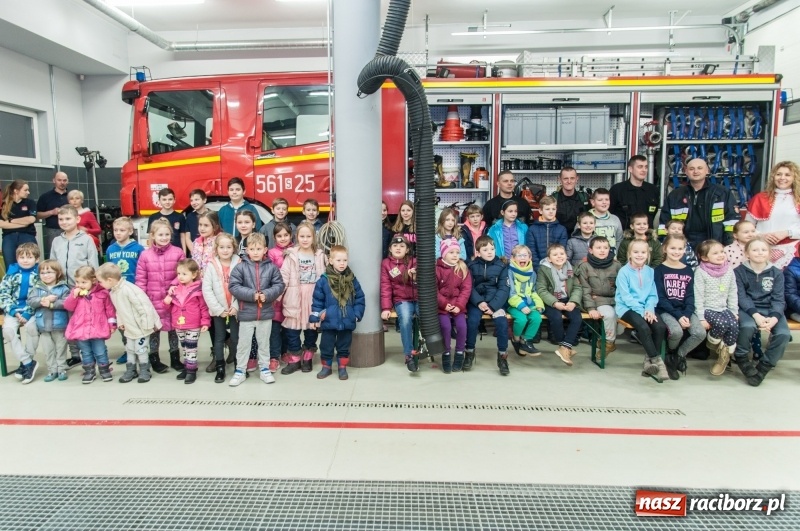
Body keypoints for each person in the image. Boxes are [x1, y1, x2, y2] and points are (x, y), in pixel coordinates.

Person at [228, 233, 285, 386]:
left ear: (265, 249)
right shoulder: (240, 267)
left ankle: (264, 369)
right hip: (246, 314)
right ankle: (240, 371)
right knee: (244, 344)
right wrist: (252, 295)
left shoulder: (272, 268)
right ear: (247, 250)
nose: (255, 252)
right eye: (252, 249)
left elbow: (279, 285)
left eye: (258, 249)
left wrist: (267, 294)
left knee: (264, 343)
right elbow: (233, 286)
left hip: (265, 314)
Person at [733, 238, 790, 386]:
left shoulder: (777, 273)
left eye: (763, 250)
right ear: (747, 253)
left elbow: (779, 299)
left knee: (783, 334)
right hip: (748, 309)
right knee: (747, 327)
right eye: (755, 250)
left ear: (769, 253)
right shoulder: (739, 272)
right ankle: (742, 358)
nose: (760, 253)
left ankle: (764, 366)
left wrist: (774, 318)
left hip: (772, 310)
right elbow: (742, 297)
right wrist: (756, 316)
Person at [97, 262, 162, 384]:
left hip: (141, 327)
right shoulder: (113, 292)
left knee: (141, 349)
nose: (99, 284)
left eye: (100, 281)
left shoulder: (129, 289)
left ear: (109, 280)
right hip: (129, 327)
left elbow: (144, 307)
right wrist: (120, 322)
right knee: (130, 349)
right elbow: (119, 310)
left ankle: (145, 369)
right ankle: (131, 370)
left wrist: (147, 325)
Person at [51, 205, 99, 369]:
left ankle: (92, 353)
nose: (64, 222)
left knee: (86, 320)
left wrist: (92, 286)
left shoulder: (86, 239)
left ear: (77, 219)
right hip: (64, 290)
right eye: (61, 219)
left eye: (68, 218)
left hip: (83, 288)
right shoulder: (56, 241)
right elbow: (52, 264)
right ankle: (75, 355)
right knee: (69, 321)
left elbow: (93, 264)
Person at [135, 219, 185, 374]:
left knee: (174, 329)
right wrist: (141, 299)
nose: (164, 237)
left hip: (173, 299)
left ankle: (175, 358)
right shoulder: (145, 255)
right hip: (152, 299)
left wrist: (173, 286)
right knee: (154, 329)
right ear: (152, 236)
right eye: (160, 234)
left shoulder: (178, 252)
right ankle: (154, 358)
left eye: (167, 234)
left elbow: (183, 272)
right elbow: (141, 279)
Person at [309, 245, 365, 380]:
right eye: (339, 260)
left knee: (344, 346)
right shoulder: (323, 280)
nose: (342, 263)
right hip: (329, 320)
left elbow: (360, 298)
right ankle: (326, 367)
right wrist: (316, 317)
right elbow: (317, 300)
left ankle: (342, 368)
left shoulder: (351, 279)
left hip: (347, 320)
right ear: (330, 261)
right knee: (326, 345)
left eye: (344, 260)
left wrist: (356, 315)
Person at [615, 239, 669, 381]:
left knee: (660, 327)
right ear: (629, 254)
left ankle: (648, 362)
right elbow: (626, 297)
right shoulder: (623, 272)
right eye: (636, 252)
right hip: (626, 307)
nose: (640, 255)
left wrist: (649, 309)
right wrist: (642, 311)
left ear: (648, 254)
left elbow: (652, 294)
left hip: (646, 308)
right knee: (644, 327)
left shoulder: (650, 271)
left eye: (643, 252)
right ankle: (658, 362)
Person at [654, 233, 706, 380]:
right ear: (665, 249)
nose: (676, 251)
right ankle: (670, 353)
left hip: (686, 310)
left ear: (685, 250)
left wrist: (687, 314)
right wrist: (678, 316)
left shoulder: (688, 270)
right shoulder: (659, 270)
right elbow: (661, 298)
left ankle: (676, 357)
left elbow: (690, 296)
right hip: (666, 310)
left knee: (699, 333)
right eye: (672, 248)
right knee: (676, 332)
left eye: (680, 248)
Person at [658, 157, 737, 249]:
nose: (695, 171)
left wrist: (728, 245)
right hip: (681, 243)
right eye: (691, 169)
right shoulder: (675, 195)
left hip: (713, 242)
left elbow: (731, 221)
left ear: (707, 171)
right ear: (686, 172)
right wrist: (664, 242)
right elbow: (664, 222)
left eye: (700, 168)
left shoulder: (722, 193)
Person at [280, 221, 327, 375]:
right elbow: (284, 277)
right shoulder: (291, 256)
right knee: (292, 330)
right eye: (302, 236)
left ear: (314, 237)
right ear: (297, 237)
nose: (305, 239)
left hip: (314, 297)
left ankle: (307, 357)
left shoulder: (320, 256)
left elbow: (326, 277)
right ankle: (294, 359)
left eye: (308, 236)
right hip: (295, 297)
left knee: (311, 329)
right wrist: (277, 296)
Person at [464, 236, 511, 374]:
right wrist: (479, 302)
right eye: (485, 249)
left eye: (492, 248)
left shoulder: (502, 266)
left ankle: (502, 356)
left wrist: (493, 306)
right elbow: (468, 287)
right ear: (478, 252)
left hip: (496, 302)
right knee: (472, 322)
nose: (490, 252)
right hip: (476, 302)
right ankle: (469, 352)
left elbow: (504, 288)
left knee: (502, 324)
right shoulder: (471, 266)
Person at [64, 266, 116, 384]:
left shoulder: (102, 293)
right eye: (77, 282)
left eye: (83, 282)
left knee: (100, 350)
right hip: (81, 328)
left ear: (93, 281)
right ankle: (89, 371)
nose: (80, 285)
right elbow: (68, 307)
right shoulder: (75, 293)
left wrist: (112, 324)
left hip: (98, 327)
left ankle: (104, 370)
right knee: (85, 351)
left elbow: (110, 310)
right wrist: (74, 296)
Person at [694, 239, 739, 377]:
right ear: (704, 257)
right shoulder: (700, 271)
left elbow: (732, 292)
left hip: (723, 308)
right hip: (708, 308)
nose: (720, 255)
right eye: (715, 253)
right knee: (722, 323)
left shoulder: (729, 270)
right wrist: (701, 317)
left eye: (722, 252)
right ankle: (712, 343)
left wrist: (734, 311)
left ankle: (723, 358)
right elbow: (698, 295)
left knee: (733, 324)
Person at [105, 216, 145, 365]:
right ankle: (128, 349)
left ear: (130, 231)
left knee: (136, 320)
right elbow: (108, 269)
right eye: (116, 230)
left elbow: (141, 269)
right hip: (117, 291)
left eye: (122, 230)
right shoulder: (111, 249)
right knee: (122, 321)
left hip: (133, 289)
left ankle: (140, 349)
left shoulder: (138, 248)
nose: (118, 233)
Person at [164, 259, 211, 384]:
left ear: (194, 275)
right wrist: (167, 301)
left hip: (193, 324)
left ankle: (191, 371)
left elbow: (203, 307)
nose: (180, 277)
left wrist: (205, 322)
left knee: (191, 348)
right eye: (179, 274)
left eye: (184, 274)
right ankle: (187, 367)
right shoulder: (175, 289)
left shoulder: (198, 290)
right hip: (179, 324)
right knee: (184, 347)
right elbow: (168, 307)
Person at [746, 161, 800, 269]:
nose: (782, 178)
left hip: (792, 251)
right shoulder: (760, 198)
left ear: (795, 178)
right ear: (773, 176)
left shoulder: (798, 199)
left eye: (787, 175)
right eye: (778, 174)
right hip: (761, 250)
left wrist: (786, 233)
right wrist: (761, 235)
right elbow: (746, 227)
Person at [536, 243, 582, 366]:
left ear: (566, 256)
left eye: (562, 254)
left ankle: (564, 348)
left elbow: (577, 287)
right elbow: (541, 290)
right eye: (555, 254)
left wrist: (573, 301)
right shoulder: (544, 269)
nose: (559, 256)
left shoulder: (570, 268)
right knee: (556, 318)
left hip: (567, 299)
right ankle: (565, 347)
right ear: (549, 259)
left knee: (577, 318)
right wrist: (555, 303)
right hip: (551, 301)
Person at [202, 233, 240, 383]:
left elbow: (242, 286)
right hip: (219, 310)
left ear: (234, 248)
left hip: (234, 310)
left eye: (229, 247)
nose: (225, 250)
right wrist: (218, 309)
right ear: (216, 249)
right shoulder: (211, 266)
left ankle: (239, 366)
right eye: (222, 247)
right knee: (219, 338)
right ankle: (220, 366)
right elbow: (207, 289)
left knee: (236, 338)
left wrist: (236, 306)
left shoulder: (239, 264)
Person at [0, 243, 40, 384]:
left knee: (32, 328)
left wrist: (28, 314)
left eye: (29, 257)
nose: (25, 260)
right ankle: (27, 362)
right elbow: (3, 294)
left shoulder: (39, 275)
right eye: (21, 257)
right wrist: (13, 311)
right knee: (8, 332)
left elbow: (38, 295)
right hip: (13, 310)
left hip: (32, 310)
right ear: (17, 258)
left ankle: (25, 364)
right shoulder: (11, 274)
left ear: (37, 259)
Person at [25, 260, 70, 382]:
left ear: (58, 273)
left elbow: (67, 303)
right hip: (43, 325)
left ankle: (62, 368)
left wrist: (52, 303)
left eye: (49, 272)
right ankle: (52, 370)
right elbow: (30, 301)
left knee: (60, 348)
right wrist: (43, 300)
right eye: (43, 273)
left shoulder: (63, 288)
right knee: (48, 350)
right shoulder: (37, 288)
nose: (46, 275)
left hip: (59, 324)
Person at [575, 236, 621, 354]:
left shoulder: (616, 265)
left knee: (623, 317)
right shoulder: (584, 266)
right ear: (591, 250)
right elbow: (584, 289)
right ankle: (609, 343)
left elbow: (622, 287)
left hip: (616, 300)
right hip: (598, 300)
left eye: (605, 248)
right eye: (598, 247)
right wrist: (590, 308)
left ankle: (605, 339)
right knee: (610, 315)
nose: (602, 250)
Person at [380, 235, 419, 372]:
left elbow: (425, 282)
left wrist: (414, 278)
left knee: (428, 317)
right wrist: (386, 307)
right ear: (390, 248)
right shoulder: (386, 264)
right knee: (406, 319)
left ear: (407, 249)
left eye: (402, 246)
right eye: (395, 246)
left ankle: (425, 348)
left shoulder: (414, 261)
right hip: (401, 300)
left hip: (418, 298)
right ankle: (408, 354)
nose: (398, 248)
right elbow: (385, 287)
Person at [436, 238, 472, 374]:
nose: (455, 255)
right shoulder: (437, 269)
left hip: (457, 305)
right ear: (444, 253)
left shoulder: (462, 268)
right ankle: (446, 354)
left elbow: (466, 289)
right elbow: (434, 290)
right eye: (451, 252)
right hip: (442, 306)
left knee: (462, 326)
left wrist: (459, 305)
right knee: (446, 326)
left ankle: (459, 354)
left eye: (457, 252)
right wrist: (444, 304)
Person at [505, 244, 543, 360]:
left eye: (525, 255)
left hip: (529, 304)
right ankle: (516, 339)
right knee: (521, 319)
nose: (522, 258)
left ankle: (526, 340)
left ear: (530, 258)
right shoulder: (509, 272)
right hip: (514, 304)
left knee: (537, 318)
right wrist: (520, 305)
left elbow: (533, 291)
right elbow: (510, 293)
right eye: (519, 255)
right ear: (513, 258)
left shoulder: (532, 273)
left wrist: (539, 304)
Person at [267, 223, 293, 372]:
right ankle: (274, 357)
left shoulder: (295, 250)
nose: (283, 238)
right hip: (277, 297)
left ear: (291, 236)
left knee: (288, 329)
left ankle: (285, 352)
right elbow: (271, 273)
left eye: (286, 235)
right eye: (279, 236)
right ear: (274, 237)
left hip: (291, 296)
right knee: (275, 330)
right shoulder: (271, 253)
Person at [609, 155, 659, 230]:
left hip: (647, 237)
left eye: (646, 167)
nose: (644, 170)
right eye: (640, 167)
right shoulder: (617, 190)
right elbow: (609, 214)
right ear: (630, 169)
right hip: (624, 237)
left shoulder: (653, 190)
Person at [526, 196, 568, 271]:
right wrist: (539, 269)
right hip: (538, 269)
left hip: (557, 268)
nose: (551, 211)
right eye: (547, 209)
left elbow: (562, 250)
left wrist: (556, 267)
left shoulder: (561, 229)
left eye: (553, 209)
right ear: (540, 211)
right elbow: (532, 251)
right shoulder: (532, 229)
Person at [1, 180, 37, 266]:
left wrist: (10, 220)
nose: (28, 192)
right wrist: (22, 223)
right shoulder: (4, 204)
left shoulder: (30, 202)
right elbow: (1, 223)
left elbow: (31, 219)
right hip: (9, 237)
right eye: (25, 190)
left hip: (27, 235)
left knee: (30, 264)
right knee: (10, 265)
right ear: (16, 191)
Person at [36, 171, 70, 258]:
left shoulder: (72, 196)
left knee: (71, 254)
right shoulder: (45, 197)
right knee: (54, 255)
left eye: (64, 180)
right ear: (54, 180)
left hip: (71, 229)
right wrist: (52, 212)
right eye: (59, 180)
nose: (62, 183)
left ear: (68, 181)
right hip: (53, 230)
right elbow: (37, 215)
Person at [551, 167, 589, 235]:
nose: (569, 181)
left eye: (572, 178)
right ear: (559, 179)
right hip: (558, 239)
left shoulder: (584, 198)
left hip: (579, 239)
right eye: (566, 178)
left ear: (577, 179)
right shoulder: (552, 199)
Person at [588, 188, 623, 252]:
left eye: (607, 199)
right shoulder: (585, 219)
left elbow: (619, 240)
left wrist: (616, 256)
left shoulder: (615, 219)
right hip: (592, 260)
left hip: (612, 259)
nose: (604, 202)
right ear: (593, 202)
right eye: (600, 200)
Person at [183, 189, 209, 254]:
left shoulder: (212, 215)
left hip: (209, 252)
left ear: (204, 200)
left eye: (196, 199)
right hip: (194, 252)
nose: (194, 202)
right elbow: (187, 237)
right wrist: (194, 252)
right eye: (191, 200)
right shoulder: (189, 216)